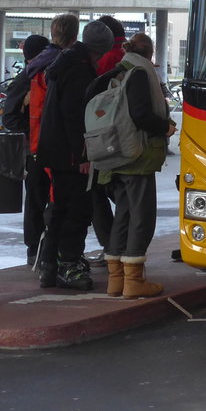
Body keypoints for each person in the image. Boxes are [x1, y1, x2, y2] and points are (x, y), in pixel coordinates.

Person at [89, 32, 177, 298]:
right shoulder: (139, 73)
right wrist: (165, 127)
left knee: (124, 216)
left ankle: (117, 280)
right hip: (136, 156)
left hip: (114, 153)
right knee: (142, 216)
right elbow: (140, 114)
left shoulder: (118, 70)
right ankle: (134, 281)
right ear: (150, 53)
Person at [34, 19, 114, 291]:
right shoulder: (80, 71)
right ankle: (69, 264)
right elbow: (75, 116)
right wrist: (83, 155)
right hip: (69, 155)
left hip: (55, 151)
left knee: (60, 209)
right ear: (101, 49)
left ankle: (50, 266)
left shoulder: (64, 63)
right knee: (77, 210)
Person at [1, 33, 56, 266]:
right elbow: (11, 118)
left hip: (37, 150)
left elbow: (9, 118)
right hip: (38, 150)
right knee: (39, 198)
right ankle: (37, 248)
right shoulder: (29, 78)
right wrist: (35, 130)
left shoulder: (33, 76)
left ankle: (38, 248)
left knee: (37, 199)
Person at [87, 15, 127, 262]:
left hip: (103, 134)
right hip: (126, 134)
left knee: (97, 194)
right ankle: (124, 244)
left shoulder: (103, 58)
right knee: (123, 192)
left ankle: (112, 246)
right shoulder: (130, 55)